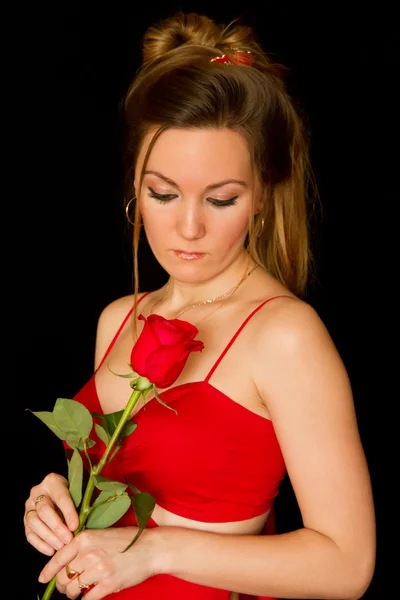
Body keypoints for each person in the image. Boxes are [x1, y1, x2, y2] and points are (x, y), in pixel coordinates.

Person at [23, 11, 376, 600]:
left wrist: (156, 549)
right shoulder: (118, 319)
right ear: (135, 184)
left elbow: (347, 566)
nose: (188, 227)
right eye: (163, 193)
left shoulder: (285, 336)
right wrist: (58, 503)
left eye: (221, 198)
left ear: (262, 192)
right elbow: (118, 501)